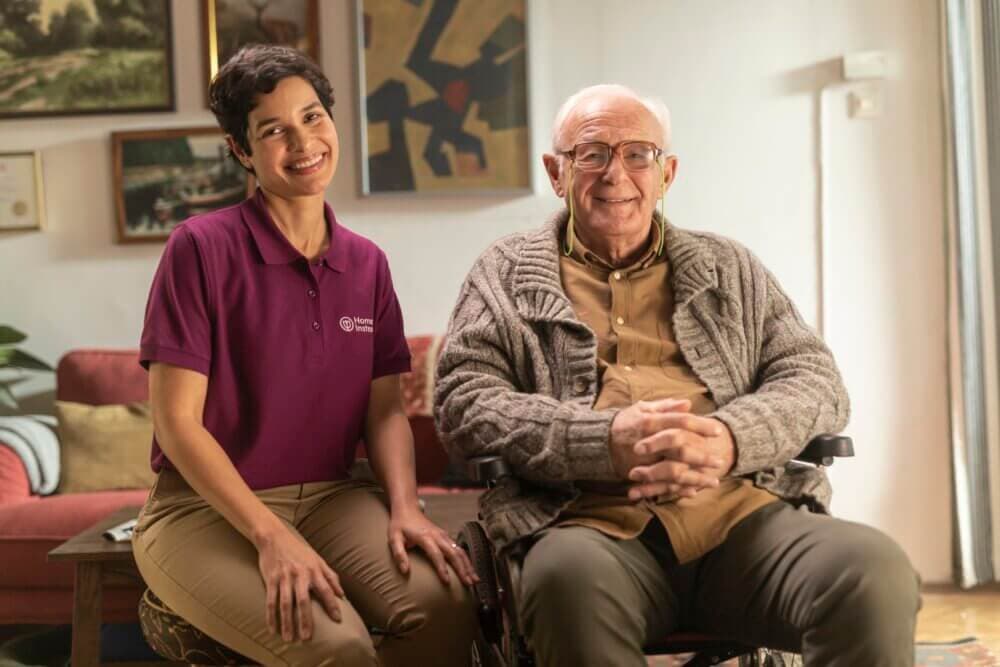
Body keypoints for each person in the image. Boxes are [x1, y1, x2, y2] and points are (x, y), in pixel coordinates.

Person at [435, 83, 921, 666]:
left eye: (638, 154)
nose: (616, 173)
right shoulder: (503, 273)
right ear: (556, 172)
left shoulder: (730, 267)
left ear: (666, 173)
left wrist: (729, 439)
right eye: (592, 154)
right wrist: (600, 442)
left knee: (872, 570)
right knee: (563, 582)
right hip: (586, 527)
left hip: (739, 517)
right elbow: (464, 401)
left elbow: (815, 379)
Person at [134, 44, 477, 667]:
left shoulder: (367, 263)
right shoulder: (200, 249)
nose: (303, 142)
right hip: (203, 510)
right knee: (337, 646)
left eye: (313, 117)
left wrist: (406, 507)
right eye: (274, 130)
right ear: (241, 151)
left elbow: (384, 411)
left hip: (333, 498)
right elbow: (176, 423)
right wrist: (271, 536)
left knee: (447, 603)